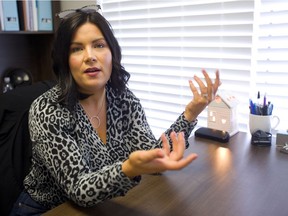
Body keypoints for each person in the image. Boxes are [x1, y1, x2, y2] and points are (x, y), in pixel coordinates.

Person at [9, 5, 221, 216]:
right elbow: (79, 190)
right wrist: (129, 168)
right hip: (48, 210)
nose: (89, 56)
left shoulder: (122, 99)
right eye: (76, 49)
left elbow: (153, 158)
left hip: (100, 204)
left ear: (112, 52)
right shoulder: (48, 109)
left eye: (99, 45)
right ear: (65, 61)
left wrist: (191, 113)